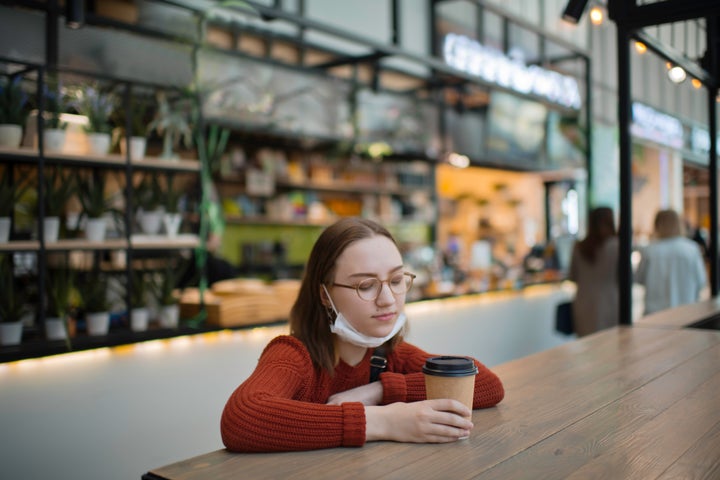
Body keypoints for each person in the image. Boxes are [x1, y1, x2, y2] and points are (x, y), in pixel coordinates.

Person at [220, 217, 504, 452]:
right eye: (366, 286)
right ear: (324, 294)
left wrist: (380, 390)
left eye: (396, 281)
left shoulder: (390, 354)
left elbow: (486, 383)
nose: (388, 300)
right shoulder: (294, 355)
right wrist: (383, 421)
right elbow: (241, 418)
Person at [635, 209, 707, 315]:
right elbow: (701, 281)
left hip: (655, 314)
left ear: (657, 225)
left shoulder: (650, 250)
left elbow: (639, 278)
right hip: (686, 311)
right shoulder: (691, 249)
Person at [568, 206, 619, 337]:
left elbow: (572, 276)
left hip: (583, 302)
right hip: (610, 301)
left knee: (587, 346)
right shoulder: (617, 245)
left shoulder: (579, 246)